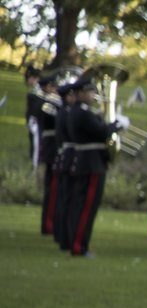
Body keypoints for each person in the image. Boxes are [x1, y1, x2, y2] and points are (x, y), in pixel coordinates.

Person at [67, 77, 120, 258]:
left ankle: (79, 244)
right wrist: (116, 125)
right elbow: (102, 132)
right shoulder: (82, 113)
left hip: (88, 162)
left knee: (83, 206)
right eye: (90, 92)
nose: (93, 95)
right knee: (87, 207)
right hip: (91, 164)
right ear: (80, 93)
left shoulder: (81, 112)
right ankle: (79, 245)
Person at [53, 80, 77, 251]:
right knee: (67, 199)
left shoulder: (64, 112)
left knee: (64, 199)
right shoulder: (66, 113)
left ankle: (62, 235)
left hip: (65, 156)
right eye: (72, 95)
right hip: (69, 157)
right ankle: (65, 237)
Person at [37, 74, 60, 236]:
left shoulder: (53, 103)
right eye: (53, 87)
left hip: (54, 150)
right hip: (52, 150)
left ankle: (52, 223)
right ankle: (48, 225)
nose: (56, 90)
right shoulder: (46, 104)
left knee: (55, 191)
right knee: (52, 190)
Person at [25, 66, 42, 169]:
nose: (28, 81)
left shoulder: (37, 91)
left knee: (35, 143)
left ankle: (35, 164)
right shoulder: (33, 90)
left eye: (30, 78)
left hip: (35, 121)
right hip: (31, 120)